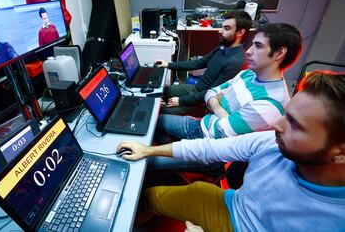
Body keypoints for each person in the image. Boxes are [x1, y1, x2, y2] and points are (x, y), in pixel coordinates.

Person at [117, 70, 345, 231]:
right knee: (152, 196)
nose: (277, 124)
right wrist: (147, 151)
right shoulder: (271, 142)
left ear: (340, 152)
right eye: (287, 115)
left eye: (296, 125)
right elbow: (209, 148)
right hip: (234, 206)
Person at [156, 23, 302, 144]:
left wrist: (214, 104)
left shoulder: (270, 104)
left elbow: (221, 131)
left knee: (152, 131)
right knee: (153, 120)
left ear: (279, 53)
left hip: (208, 145)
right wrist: (220, 109)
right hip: (203, 124)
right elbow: (211, 92)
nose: (248, 52)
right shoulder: (248, 74)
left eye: (258, 46)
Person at [155, 10, 252, 116]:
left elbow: (211, 92)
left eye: (227, 28)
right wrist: (168, 65)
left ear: (240, 32)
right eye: (222, 27)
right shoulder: (223, 48)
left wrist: (181, 101)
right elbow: (198, 63)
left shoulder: (235, 62)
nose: (220, 31)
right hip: (197, 89)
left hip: (203, 103)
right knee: (162, 91)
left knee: (160, 113)